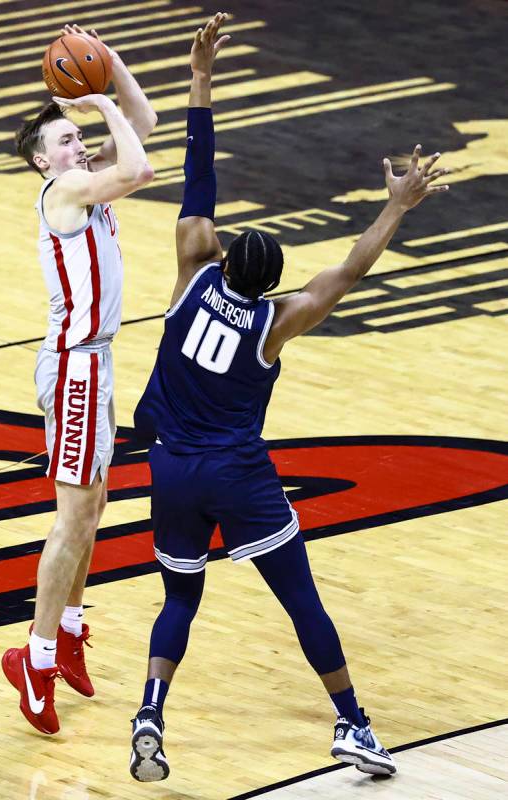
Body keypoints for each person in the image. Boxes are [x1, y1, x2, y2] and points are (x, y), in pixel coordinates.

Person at [129, 12, 450, 782]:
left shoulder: (191, 271)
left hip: (170, 467)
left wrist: (201, 79)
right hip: (236, 474)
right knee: (299, 598)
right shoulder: (279, 321)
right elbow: (348, 272)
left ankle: (149, 710)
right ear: (271, 281)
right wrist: (395, 206)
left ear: (225, 258)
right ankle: (352, 724)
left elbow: (198, 178)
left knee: (179, 595)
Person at [1, 23, 156, 735]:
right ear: (42, 161)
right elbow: (139, 167)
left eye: (76, 136)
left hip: (94, 362)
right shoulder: (65, 190)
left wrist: (110, 70)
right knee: (71, 519)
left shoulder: (88, 183)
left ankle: (66, 626)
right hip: (72, 369)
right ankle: (31, 658)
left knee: (91, 509)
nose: (77, 144)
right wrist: (101, 104)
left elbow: (143, 129)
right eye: (64, 138)